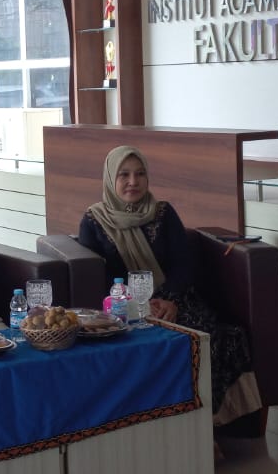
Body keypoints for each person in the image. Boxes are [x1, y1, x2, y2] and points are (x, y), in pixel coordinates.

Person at [76, 145, 261, 442]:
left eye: (140, 174)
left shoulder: (163, 213)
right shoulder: (94, 221)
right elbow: (98, 277)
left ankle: (205, 428)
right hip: (125, 309)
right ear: (110, 179)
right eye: (124, 175)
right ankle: (167, 430)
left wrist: (170, 300)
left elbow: (183, 263)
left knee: (207, 338)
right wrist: (139, 304)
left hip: (177, 300)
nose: (133, 182)